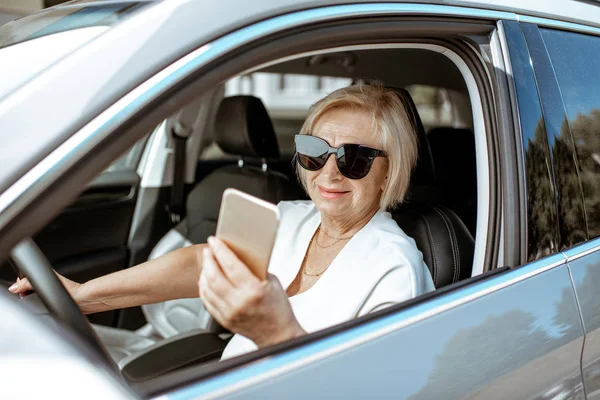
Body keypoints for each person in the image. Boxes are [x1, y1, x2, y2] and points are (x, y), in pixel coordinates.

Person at [9, 83, 435, 360]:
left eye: (354, 158)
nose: (329, 172)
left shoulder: (395, 269)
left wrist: (277, 334)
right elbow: (200, 263)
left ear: (389, 173)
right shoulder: (290, 217)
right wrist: (84, 295)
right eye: (314, 150)